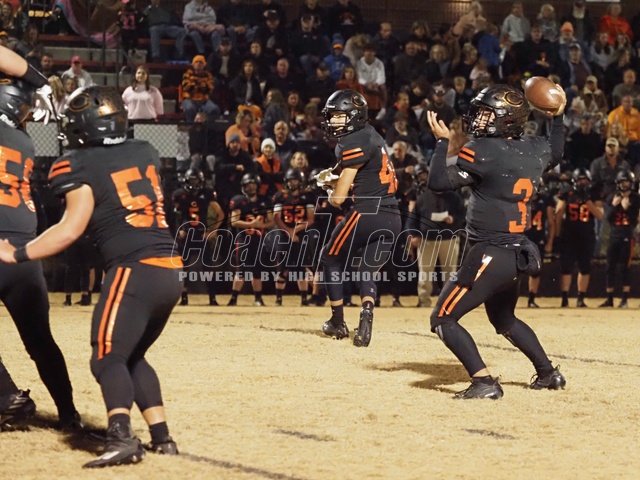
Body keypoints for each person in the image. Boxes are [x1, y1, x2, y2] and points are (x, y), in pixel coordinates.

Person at [0, 86, 182, 466]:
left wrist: (17, 253)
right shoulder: (145, 150)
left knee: (106, 357)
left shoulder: (77, 164)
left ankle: (121, 437)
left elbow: (69, 229)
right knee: (132, 354)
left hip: (132, 268)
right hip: (168, 267)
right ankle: (162, 437)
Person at [425, 84, 567, 399]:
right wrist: (557, 117)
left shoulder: (482, 150)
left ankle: (484, 382)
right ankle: (548, 373)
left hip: (490, 252)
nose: (479, 120)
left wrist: (441, 142)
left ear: (506, 119)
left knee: (443, 318)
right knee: (504, 319)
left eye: (487, 114)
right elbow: (556, 150)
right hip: (517, 252)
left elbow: (437, 182)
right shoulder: (534, 149)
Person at [0, 74, 81, 432]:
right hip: (24, 251)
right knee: (40, 342)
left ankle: (8, 398)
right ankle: (68, 412)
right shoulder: (24, 141)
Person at [318, 89, 401, 347]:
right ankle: (366, 315)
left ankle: (337, 321)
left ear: (353, 116)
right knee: (366, 269)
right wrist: (336, 178)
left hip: (368, 212)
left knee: (330, 257)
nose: (333, 121)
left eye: (338, 116)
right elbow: (367, 175)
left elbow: (339, 200)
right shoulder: (372, 134)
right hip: (393, 215)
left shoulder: (352, 140)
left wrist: (329, 189)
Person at [173, 168, 225, 306]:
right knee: (183, 267)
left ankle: (212, 298)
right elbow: (175, 215)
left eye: (196, 180)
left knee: (208, 267)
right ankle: (184, 298)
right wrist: (179, 230)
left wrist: (213, 230)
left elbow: (220, 213)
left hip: (202, 234)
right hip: (186, 233)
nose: (194, 183)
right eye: (191, 180)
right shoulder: (179, 194)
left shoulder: (207, 193)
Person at [555, 168, 604, 308]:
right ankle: (565, 298)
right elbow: (558, 212)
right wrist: (558, 233)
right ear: (574, 181)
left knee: (585, 267)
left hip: (586, 236)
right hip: (569, 235)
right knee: (566, 267)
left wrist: (587, 200)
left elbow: (600, 215)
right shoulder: (567, 192)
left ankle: (580, 298)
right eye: (580, 180)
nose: (583, 183)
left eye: (585, 180)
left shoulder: (593, 194)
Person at [227, 173, 273, 306]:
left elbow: (271, 221)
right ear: (244, 186)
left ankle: (258, 298)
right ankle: (233, 298)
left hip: (258, 239)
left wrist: (261, 226)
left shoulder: (264, 201)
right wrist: (252, 224)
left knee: (257, 271)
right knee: (241, 270)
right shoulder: (238, 200)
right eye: (248, 185)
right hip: (243, 240)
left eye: (253, 184)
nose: (251, 187)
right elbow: (234, 221)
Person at [272, 169, 316, 306]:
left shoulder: (307, 197)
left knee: (301, 268)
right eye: (291, 180)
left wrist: (295, 230)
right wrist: (289, 232)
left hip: (300, 234)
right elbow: (276, 218)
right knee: (282, 268)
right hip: (283, 234)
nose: (293, 183)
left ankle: (304, 299)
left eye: (295, 180)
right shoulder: (280, 196)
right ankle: (278, 299)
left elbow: (311, 219)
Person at [599, 170, 639, 309]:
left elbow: (634, 220)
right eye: (622, 182)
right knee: (610, 267)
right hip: (614, 235)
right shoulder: (612, 197)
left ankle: (624, 299)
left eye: (626, 182)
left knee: (624, 267)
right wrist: (614, 206)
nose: (624, 185)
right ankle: (609, 299)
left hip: (627, 236)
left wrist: (628, 208)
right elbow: (608, 218)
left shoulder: (636, 198)